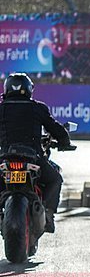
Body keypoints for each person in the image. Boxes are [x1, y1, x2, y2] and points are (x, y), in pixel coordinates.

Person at [0, 73, 73, 233]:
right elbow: (55, 128)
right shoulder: (37, 108)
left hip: (4, 160)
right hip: (34, 158)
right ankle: (48, 214)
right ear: (28, 89)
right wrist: (64, 142)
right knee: (55, 179)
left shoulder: (1, 108)